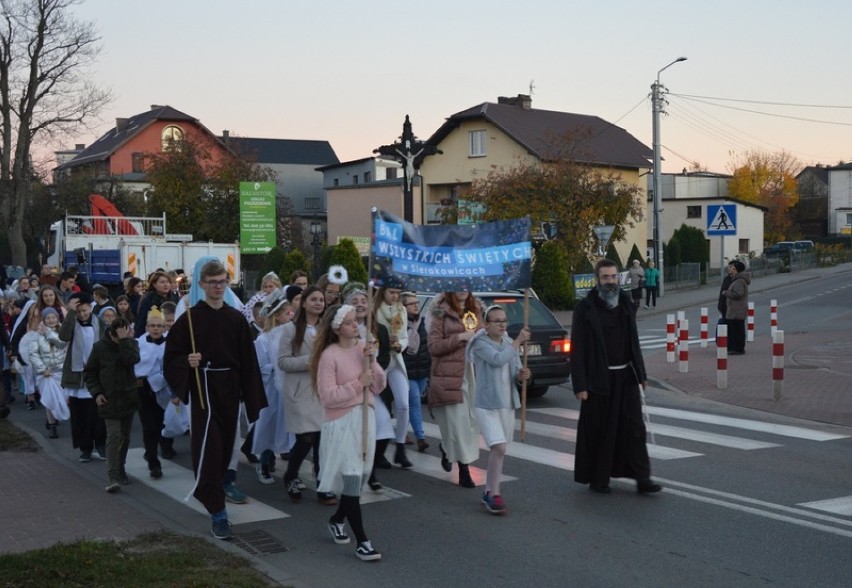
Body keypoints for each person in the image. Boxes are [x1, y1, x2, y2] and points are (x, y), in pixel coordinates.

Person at [163, 259, 267, 540]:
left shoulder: (235, 318)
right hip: (204, 387)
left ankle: (218, 490)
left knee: (227, 449)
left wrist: (252, 397)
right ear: (202, 285)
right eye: (212, 282)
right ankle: (218, 512)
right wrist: (188, 361)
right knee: (209, 448)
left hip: (231, 388)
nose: (218, 287)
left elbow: (248, 360)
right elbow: (171, 356)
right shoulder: (190, 318)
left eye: (222, 282)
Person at [570, 259, 661, 495]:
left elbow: (634, 342)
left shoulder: (626, 303)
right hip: (598, 379)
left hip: (626, 377)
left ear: (618, 279)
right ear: (597, 279)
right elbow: (577, 349)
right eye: (605, 277)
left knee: (634, 428)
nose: (610, 281)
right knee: (601, 430)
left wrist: (641, 373)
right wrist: (580, 384)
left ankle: (643, 478)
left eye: (613, 277)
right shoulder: (585, 309)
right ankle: (599, 479)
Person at [312, 303, 386, 562]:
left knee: (360, 477)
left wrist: (372, 360)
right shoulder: (328, 356)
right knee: (353, 480)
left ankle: (336, 519)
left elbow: (378, 385)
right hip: (341, 423)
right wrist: (357, 384)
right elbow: (328, 397)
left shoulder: (362, 349)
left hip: (365, 420)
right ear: (336, 328)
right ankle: (363, 542)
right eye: (350, 322)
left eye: (357, 321)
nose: (356, 325)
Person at [466, 305, 531, 514]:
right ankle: (495, 494)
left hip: (506, 403)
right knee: (499, 447)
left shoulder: (508, 342)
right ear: (486, 324)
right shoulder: (480, 343)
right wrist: (518, 341)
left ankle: (489, 491)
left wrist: (522, 376)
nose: (503, 324)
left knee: (500, 451)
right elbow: (497, 359)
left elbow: (514, 369)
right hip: (487, 404)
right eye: (497, 321)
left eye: (504, 320)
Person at [277, 285, 337, 505]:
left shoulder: (327, 329)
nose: (319, 303)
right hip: (300, 390)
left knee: (322, 440)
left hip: (322, 390)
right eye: (313, 299)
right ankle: (291, 475)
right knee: (305, 438)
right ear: (303, 303)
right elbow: (283, 361)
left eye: (321, 300)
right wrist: (309, 362)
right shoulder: (290, 329)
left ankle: (323, 484)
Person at [427, 291, 483, 488]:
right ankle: (464, 471)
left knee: (470, 424)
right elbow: (433, 346)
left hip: (471, 374)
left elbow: (484, 338)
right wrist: (460, 337)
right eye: (457, 285)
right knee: (459, 426)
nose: (462, 289)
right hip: (449, 375)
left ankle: (446, 447)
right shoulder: (440, 313)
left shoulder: (475, 311)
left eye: (465, 285)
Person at [83, 317, 141, 493]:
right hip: (108, 399)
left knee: (125, 436)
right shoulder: (100, 348)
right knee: (114, 436)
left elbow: (132, 360)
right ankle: (113, 475)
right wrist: (97, 393)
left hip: (128, 398)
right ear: (111, 334)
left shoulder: (131, 343)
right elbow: (90, 372)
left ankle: (121, 468)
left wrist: (124, 340)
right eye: (120, 336)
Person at [251, 288, 294, 484]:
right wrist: (278, 368)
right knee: (270, 425)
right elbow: (261, 366)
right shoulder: (263, 339)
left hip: (289, 388)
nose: (291, 316)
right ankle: (264, 462)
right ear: (276, 316)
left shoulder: (291, 335)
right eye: (287, 313)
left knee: (289, 426)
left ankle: (291, 467)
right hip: (271, 390)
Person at [58, 292, 106, 462]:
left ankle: (101, 444)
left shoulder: (99, 323)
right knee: (81, 415)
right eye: (78, 312)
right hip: (77, 374)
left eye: (84, 311)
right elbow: (63, 336)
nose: (82, 314)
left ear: (90, 308)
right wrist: (70, 313)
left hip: (96, 373)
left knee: (98, 413)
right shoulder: (71, 323)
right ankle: (85, 447)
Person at [373, 285, 412, 468]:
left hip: (396, 359)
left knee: (404, 404)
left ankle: (400, 446)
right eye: (391, 292)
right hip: (379, 360)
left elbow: (405, 336)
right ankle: (377, 449)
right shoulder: (374, 309)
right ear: (383, 292)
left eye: (398, 293)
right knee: (376, 405)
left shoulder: (401, 309)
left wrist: (400, 345)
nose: (395, 296)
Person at [135, 306, 176, 479]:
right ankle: (153, 462)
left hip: (162, 389)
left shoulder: (170, 343)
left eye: (159, 326)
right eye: (153, 326)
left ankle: (155, 449)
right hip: (143, 389)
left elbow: (173, 367)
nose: (156, 329)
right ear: (146, 327)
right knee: (148, 427)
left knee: (160, 425)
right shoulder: (138, 343)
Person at [28, 307, 68, 439]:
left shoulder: (64, 331)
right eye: (48, 318)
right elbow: (33, 353)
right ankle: (52, 426)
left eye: (53, 317)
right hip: (47, 373)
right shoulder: (37, 335)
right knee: (50, 400)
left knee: (64, 399)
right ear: (44, 320)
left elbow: (64, 346)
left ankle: (57, 417)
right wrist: (42, 369)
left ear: (57, 318)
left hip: (62, 371)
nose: (51, 320)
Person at [401, 292, 430, 453]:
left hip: (422, 370)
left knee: (410, 404)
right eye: (411, 303)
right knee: (414, 403)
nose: (416, 305)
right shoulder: (399, 325)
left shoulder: (424, 323)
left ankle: (402, 433)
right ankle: (421, 438)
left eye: (417, 303)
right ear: (403, 307)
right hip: (407, 371)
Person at [135, 271, 180, 337]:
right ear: (154, 284)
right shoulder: (148, 300)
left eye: (167, 282)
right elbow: (141, 322)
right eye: (162, 282)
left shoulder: (175, 298)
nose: (166, 285)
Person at [723, 260, 751, 356]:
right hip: (738, 309)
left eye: (734, 269)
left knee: (737, 331)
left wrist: (727, 293)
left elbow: (739, 294)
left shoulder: (739, 280)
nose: (732, 270)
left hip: (737, 309)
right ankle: (739, 348)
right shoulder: (739, 279)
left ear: (738, 270)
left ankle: (738, 349)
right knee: (738, 329)